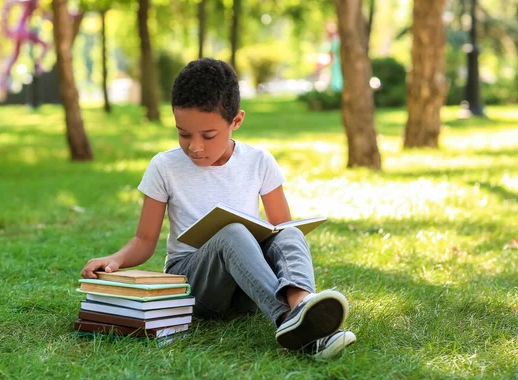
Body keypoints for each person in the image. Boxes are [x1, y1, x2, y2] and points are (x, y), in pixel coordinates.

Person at [81, 58, 356, 359]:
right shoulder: (164, 167)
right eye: (183, 133)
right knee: (233, 233)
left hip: (248, 289)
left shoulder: (259, 162)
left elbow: (281, 232)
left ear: (236, 121)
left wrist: (283, 242)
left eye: (208, 135)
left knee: (290, 235)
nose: (194, 146)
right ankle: (289, 319)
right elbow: (145, 241)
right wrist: (114, 260)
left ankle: (302, 303)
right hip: (195, 284)